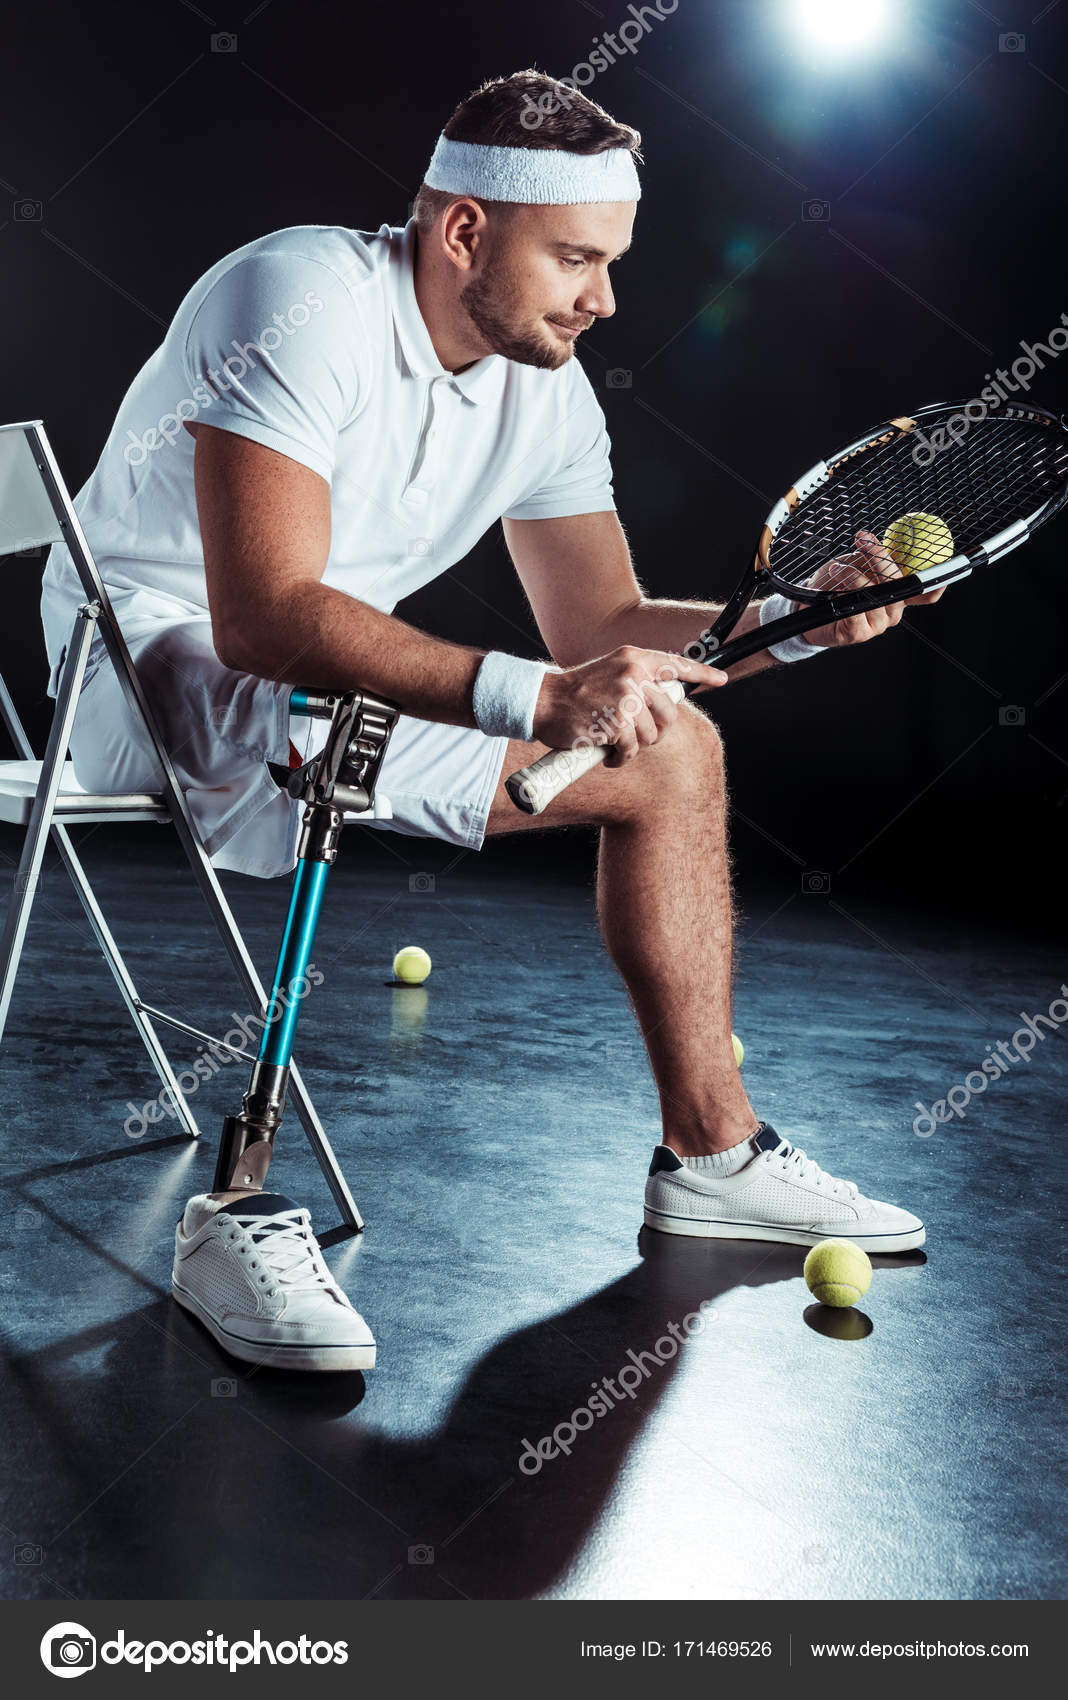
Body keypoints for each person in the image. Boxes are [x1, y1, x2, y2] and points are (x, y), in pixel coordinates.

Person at [41, 70, 938, 1374]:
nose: (604, 298)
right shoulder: (298, 298)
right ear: (465, 230)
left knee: (676, 750)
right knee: (325, 702)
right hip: (127, 665)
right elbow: (265, 617)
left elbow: (604, 634)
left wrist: (798, 618)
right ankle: (235, 1204)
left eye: (611, 261)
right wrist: (530, 696)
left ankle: (714, 1153)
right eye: (575, 257)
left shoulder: (547, 393)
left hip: (320, 686)